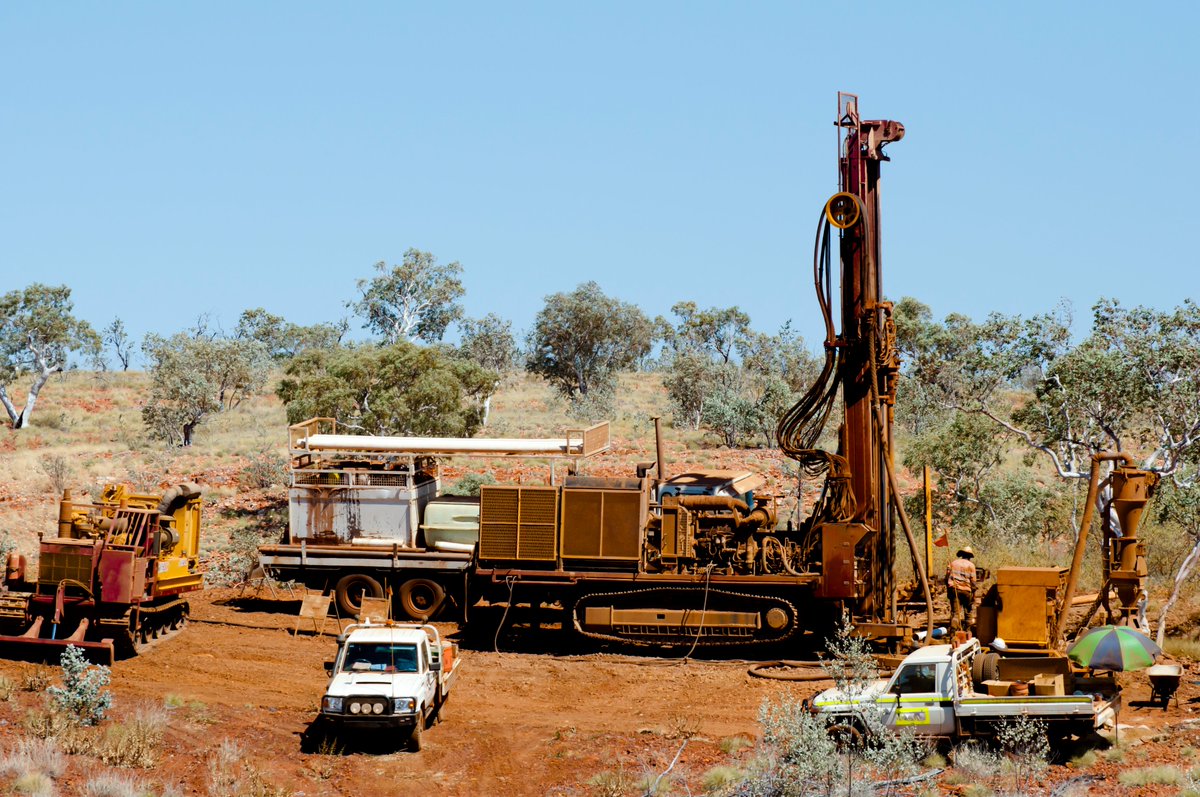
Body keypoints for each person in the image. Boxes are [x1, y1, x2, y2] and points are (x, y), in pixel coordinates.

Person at [946, 546, 978, 633]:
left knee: (955, 613)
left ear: (961, 554)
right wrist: (973, 595)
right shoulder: (971, 566)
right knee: (968, 612)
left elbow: (947, 577)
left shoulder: (953, 563)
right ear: (970, 556)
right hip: (966, 591)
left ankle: (953, 632)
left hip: (954, 590)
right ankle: (968, 631)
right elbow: (973, 583)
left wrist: (949, 591)